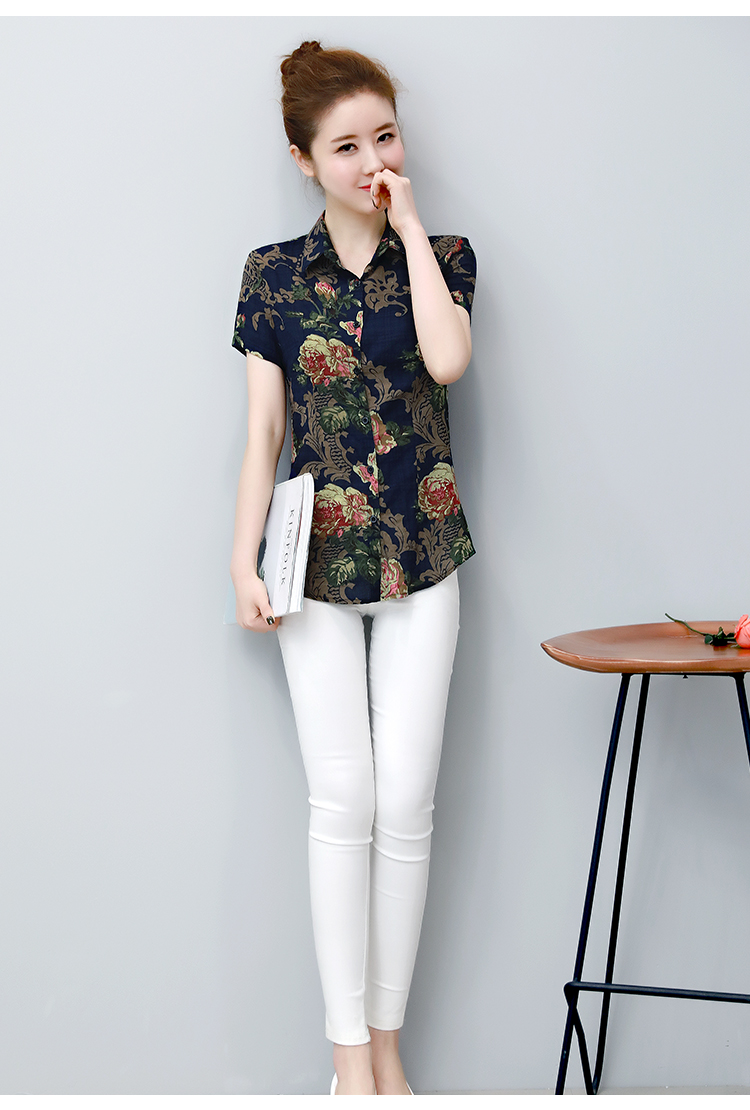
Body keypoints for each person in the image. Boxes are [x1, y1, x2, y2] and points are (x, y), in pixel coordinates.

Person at [230, 41, 476, 1096]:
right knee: (344, 799)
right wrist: (240, 557)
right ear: (303, 159)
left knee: (407, 803)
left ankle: (387, 1051)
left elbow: (448, 359)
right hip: (315, 561)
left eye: (385, 137)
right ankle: (347, 1064)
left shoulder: (446, 254)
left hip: (424, 550)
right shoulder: (270, 275)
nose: (372, 160)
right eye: (346, 147)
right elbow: (263, 430)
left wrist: (409, 228)